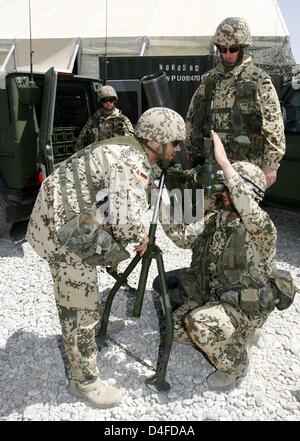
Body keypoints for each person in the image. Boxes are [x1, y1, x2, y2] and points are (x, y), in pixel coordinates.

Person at [26, 107, 185, 408]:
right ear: (156, 141)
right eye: (175, 142)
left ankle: (94, 323)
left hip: (80, 214)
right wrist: (141, 237)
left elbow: (118, 201)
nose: (179, 148)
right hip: (63, 223)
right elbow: (126, 220)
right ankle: (83, 381)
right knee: (78, 303)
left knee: (100, 260)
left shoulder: (136, 152)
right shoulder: (131, 161)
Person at [160, 130, 295, 391]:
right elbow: (183, 237)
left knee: (200, 325)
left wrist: (224, 163)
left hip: (244, 308)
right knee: (176, 328)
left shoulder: (261, 228)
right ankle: (235, 336)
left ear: (245, 192)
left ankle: (237, 365)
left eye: (228, 188)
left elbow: (247, 206)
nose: (221, 192)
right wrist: (158, 200)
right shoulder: (218, 219)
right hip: (218, 298)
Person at [185, 17, 285, 188]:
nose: (227, 54)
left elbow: (273, 125)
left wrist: (271, 165)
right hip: (211, 164)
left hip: (246, 166)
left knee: (243, 212)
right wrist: (190, 151)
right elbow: (192, 118)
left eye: (233, 49)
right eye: (222, 49)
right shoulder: (209, 80)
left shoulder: (258, 80)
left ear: (243, 48)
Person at [74, 85, 133, 152]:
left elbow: (131, 142)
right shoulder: (93, 120)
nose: (108, 103)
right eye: (105, 100)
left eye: (111, 100)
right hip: (97, 158)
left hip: (115, 158)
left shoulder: (123, 120)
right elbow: (81, 141)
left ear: (115, 101)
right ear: (100, 102)